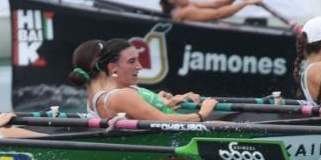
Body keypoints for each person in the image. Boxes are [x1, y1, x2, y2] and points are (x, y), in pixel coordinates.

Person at [72, 38, 218, 122]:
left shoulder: (95, 98)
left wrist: (161, 102)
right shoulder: (119, 95)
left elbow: (137, 111)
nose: (139, 66)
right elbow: (163, 121)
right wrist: (202, 114)